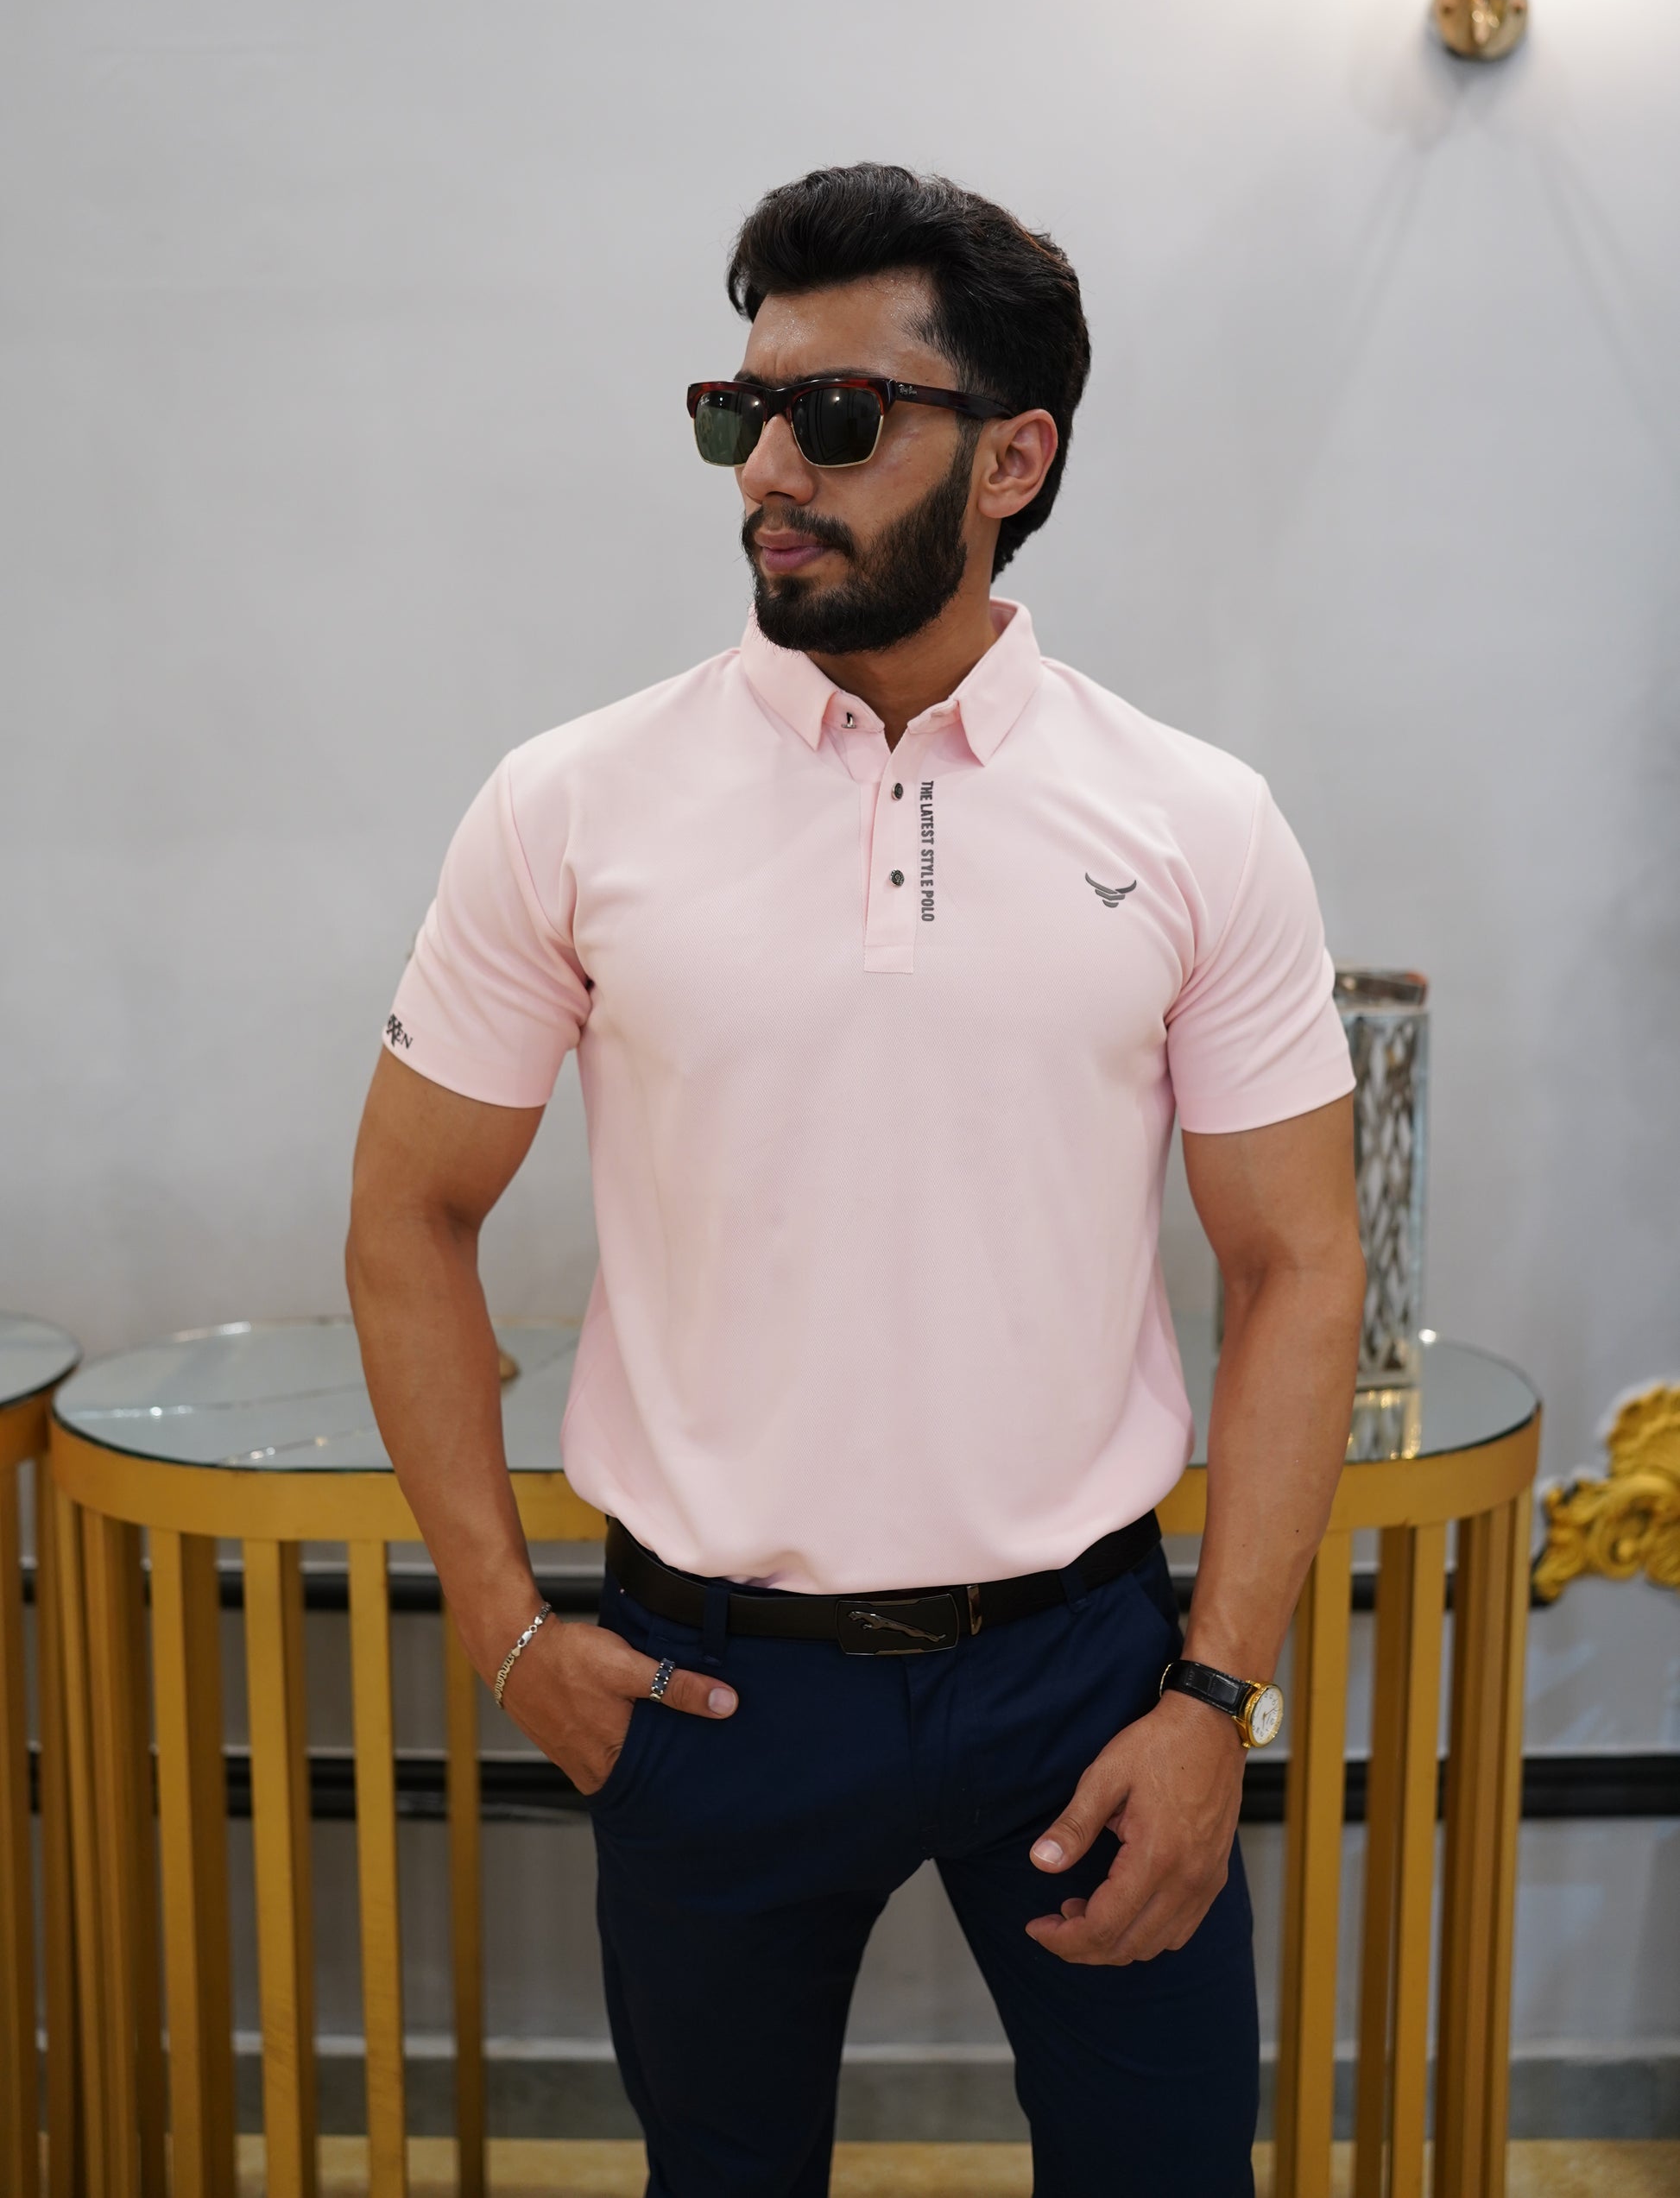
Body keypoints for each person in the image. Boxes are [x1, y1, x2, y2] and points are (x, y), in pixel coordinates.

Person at [347, 163, 1364, 2198]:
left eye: (835, 415)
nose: (766, 472)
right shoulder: (571, 804)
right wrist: (507, 1629)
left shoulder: (1194, 821)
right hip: (708, 1678)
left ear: (1012, 457)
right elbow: (406, 1216)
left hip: (1086, 1668)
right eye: (740, 412)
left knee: (1166, 2169)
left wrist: (1215, 1693)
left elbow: (1298, 1263)